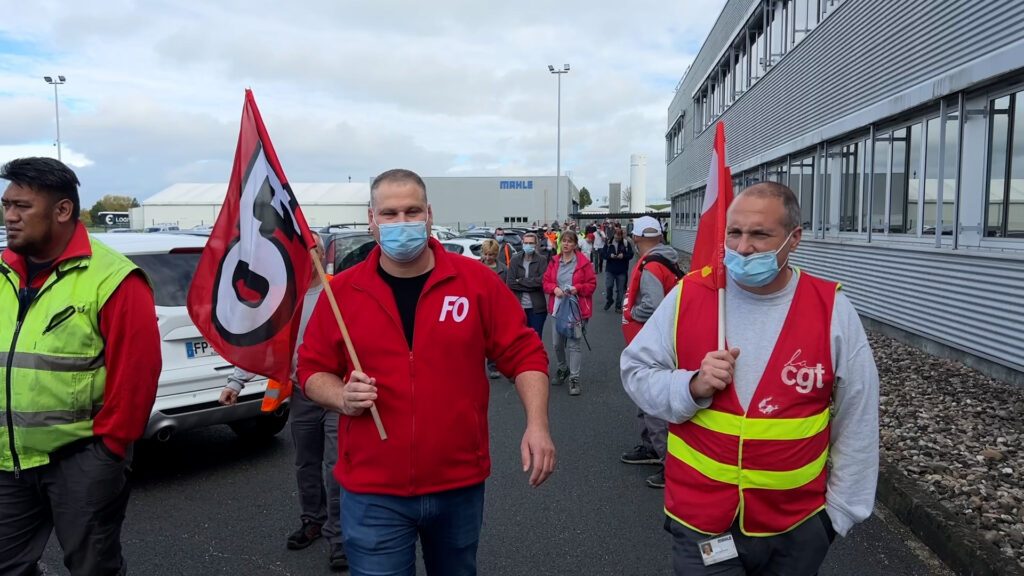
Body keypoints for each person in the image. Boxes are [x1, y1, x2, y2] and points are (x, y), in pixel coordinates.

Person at [297, 169, 556, 576]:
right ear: (372, 219)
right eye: (390, 213)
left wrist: (537, 425)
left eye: (412, 211)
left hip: (458, 484)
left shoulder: (476, 283)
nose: (402, 222)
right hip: (372, 489)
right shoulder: (343, 292)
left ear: (430, 214)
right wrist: (341, 396)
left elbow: (525, 354)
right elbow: (311, 370)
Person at [621, 182, 879, 575]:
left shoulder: (831, 309)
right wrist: (690, 387)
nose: (742, 248)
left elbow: (857, 416)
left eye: (759, 234)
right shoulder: (691, 294)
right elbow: (635, 371)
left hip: (795, 528)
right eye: (734, 233)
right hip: (702, 522)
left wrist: (838, 516)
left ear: (794, 239)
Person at [0, 157, 162, 576]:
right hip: (8, 462)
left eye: (21, 206)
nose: (9, 217)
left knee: (93, 568)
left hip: (81, 461)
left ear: (63, 210)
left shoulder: (114, 279)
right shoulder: (3, 271)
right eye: (6, 205)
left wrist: (108, 451)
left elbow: (136, 378)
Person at [218, 231, 347, 571]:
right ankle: (313, 521)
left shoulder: (341, 291)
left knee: (336, 466)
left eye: (313, 249)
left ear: (321, 253)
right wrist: (236, 381)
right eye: (302, 251)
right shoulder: (284, 299)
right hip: (303, 390)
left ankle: (339, 536)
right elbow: (259, 344)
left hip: (338, 392)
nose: (309, 256)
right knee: (306, 461)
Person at [618, 216, 684, 490]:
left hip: (652, 343)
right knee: (645, 398)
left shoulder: (652, 267)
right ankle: (651, 448)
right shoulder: (668, 260)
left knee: (653, 402)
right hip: (657, 341)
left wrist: (632, 312)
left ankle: (671, 465)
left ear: (635, 238)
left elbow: (652, 305)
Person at [542, 230, 597, 396]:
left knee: (574, 344)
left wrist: (577, 288)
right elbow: (546, 282)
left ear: (575, 244)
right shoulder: (554, 261)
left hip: (576, 309)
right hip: (557, 309)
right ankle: (562, 368)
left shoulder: (583, 262)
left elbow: (592, 285)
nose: (566, 244)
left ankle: (574, 378)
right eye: (563, 241)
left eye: (569, 241)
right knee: (557, 344)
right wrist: (554, 288)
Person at [506, 232, 547, 342]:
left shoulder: (541, 260)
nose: (528, 245)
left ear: (536, 244)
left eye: (531, 243)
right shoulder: (515, 259)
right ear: (523, 243)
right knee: (519, 341)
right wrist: (531, 285)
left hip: (537, 308)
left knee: (536, 340)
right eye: (526, 243)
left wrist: (521, 281)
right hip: (519, 307)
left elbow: (542, 281)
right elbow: (510, 283)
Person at [480, 238, 509, 379]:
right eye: (486, 254)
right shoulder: (475, 267)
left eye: (491, 255)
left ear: (496, 254)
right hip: (479, 307)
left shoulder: (503, 269)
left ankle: (493, 366)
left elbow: (507, 290)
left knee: (493, 340)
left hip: (496, 308)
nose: (488, 257)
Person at [603, 227, 633, 312]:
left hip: (622, 270)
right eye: (616, 237)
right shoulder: (608, 243)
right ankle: (610, 300)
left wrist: (623, 256)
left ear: (621, 236)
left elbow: (630, 255)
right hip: (610, 269)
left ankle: (618, 305)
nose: (617, 239)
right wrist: (610, 256)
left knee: (621, 290)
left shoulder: (626, 243)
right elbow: (603, 254)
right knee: (609, 286)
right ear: (614, 235)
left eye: (619, 238)